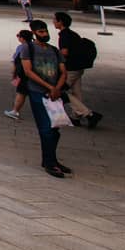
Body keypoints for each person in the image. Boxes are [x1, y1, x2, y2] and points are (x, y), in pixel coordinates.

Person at [17, 20, 72, 177]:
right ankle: (49, 162)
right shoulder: (28, 49)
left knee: (56, 129)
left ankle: (51, 159)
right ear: (34, 33)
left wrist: (56, 88)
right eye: (41, 32)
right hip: (37, 92)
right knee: (46, 128)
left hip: (54, 94)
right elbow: (28, 71)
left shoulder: (54, 50)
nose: (45, 34)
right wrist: (49, 87)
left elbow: (63, 72)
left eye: (45, 31)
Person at [53, 12, 102, 129]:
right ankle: (76, 117)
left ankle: (89, 114)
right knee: (76, 92)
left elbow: (64, 53)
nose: (54, 22)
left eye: (55, 20)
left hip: (70, 68)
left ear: (60, 22)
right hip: (78, 67)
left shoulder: (64, 35)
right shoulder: (72, 34)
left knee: (61, 91)